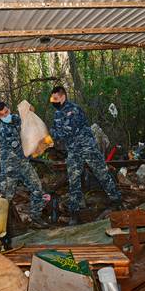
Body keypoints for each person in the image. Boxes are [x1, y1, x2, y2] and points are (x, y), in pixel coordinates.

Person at [49, 86, 122, 225]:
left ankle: (117, 201)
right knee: (74, 180)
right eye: (52, 99)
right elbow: (55, 128)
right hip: (73, 151)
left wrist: (52, 136)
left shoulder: (74, 110)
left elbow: (66, 131)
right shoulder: (57, 114)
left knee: (102, 174)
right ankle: (74, 214)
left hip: (87, 147)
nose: (54, 101)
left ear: (63, 96)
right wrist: (52, 134)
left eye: (56, 98)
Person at [0, 101, 50, 229]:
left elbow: (28, 119)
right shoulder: (3, 131)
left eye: (6, 112)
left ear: (9, 109)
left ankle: (35, 218)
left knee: (37, 187)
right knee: (6, 197)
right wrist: (35, 149)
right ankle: (0, 227)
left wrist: (30, 109)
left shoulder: (15, 118)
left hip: (22, 163)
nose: (5, 115)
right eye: (1, 115)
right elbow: (21, 148)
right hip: (9, 167)